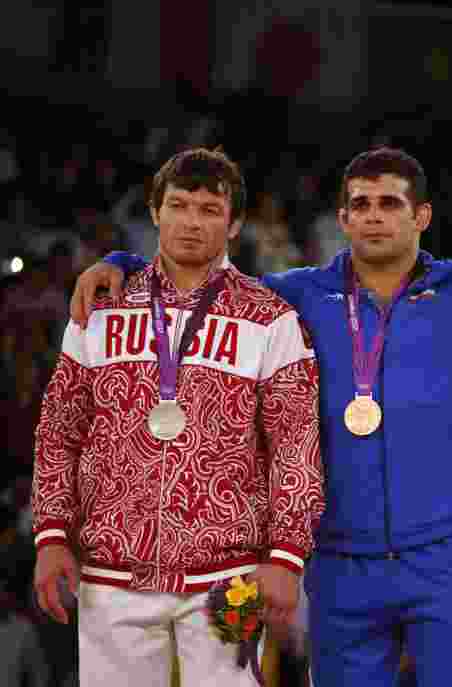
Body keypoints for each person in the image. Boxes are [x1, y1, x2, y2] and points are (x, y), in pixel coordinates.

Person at [68, 146, 452, 686]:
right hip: (341, 560)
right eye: (359, 204)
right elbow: (201, 281)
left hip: (445, 555)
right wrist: (125, 264)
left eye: (390, 203)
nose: (373, 215)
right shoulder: (297, 294)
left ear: (423, 217)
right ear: (341, 218)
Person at [32, 147, 324, 687]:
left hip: (228, 577)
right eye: (179, 205)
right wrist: (50, 534)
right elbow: (59, 428)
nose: (192, 222)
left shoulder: (269, 318)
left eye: (210, 210)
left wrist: (287, 556)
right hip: (112, 570)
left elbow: (295, 445)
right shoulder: (100, 308)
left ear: (235, 224)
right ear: (154, 211)